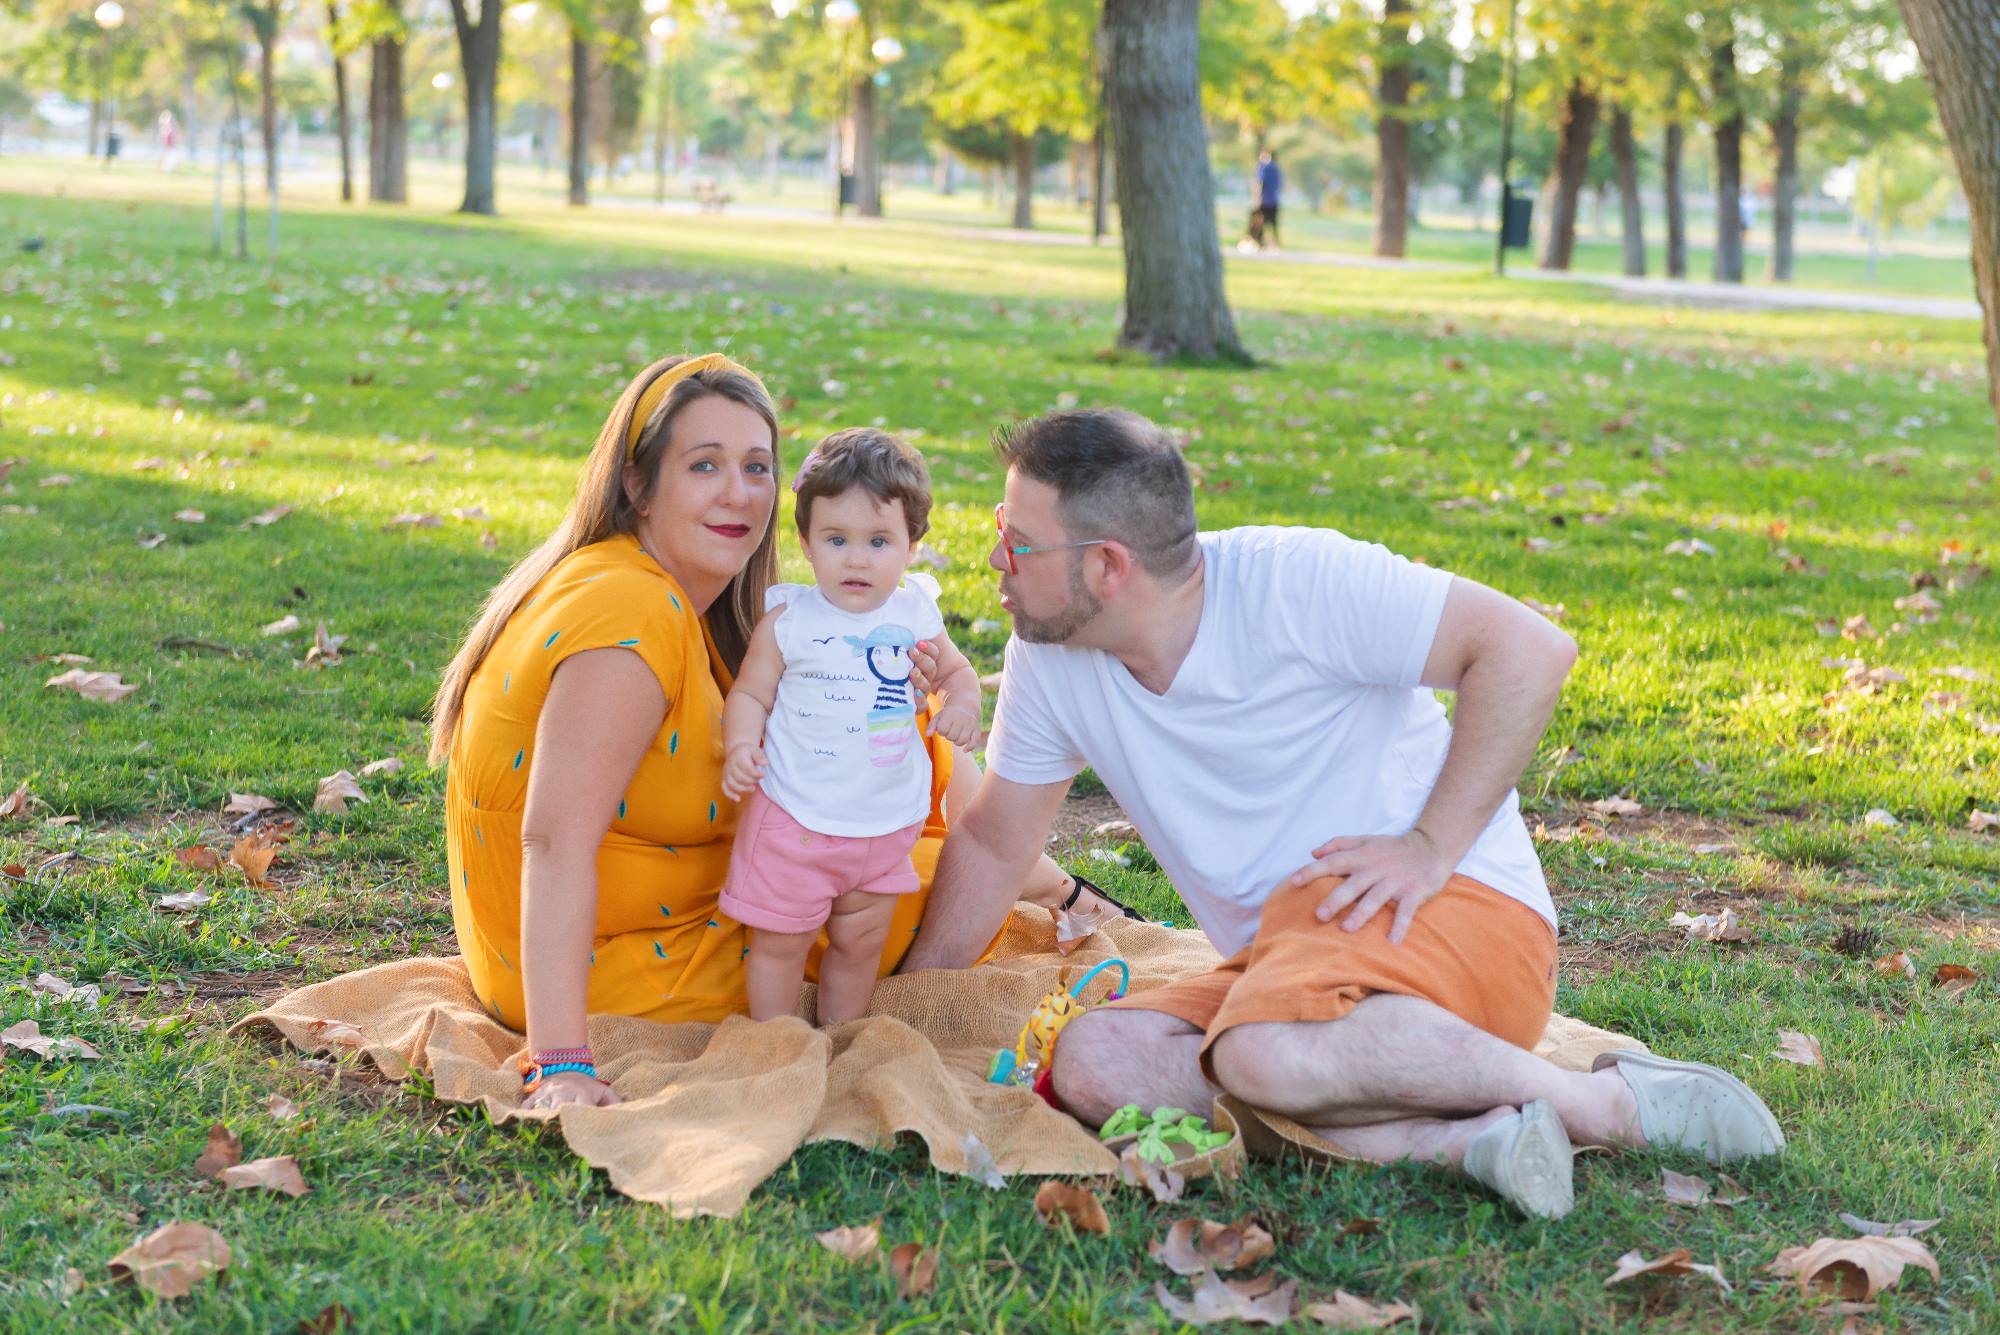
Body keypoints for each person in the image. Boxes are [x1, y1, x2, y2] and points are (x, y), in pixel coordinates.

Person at [903, 408, 1784, 1218]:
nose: (995, 565)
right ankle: (1464, 1139)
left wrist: (1431, 844)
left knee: (1255, 1056)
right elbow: (994, 836)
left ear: (1107, 565)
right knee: (1096, 1059)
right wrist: (903, 1001)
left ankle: (1608, 1103)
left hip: (1451, 917)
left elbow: (1528, 649)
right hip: (1285, 965)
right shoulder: (1053, 658)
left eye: (1016, 545)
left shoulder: (1298, 582)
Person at [427, 354, 1095, 1111]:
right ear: (638, 484)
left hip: (614, 919)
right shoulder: (628, 617)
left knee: (914, 749)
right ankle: (1059, 890)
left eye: (756, 466)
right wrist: (560, 1060)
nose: (739, 493)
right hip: (605, 966)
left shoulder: (648, 588)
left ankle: (1063, 887)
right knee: (939, 876)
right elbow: (552, 840)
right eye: (704, 465)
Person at [719, 429, 984, 1024]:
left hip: (884, 826)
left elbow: (958, 674)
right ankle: (778, 1042)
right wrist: (740, 743)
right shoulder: (789, 620)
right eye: (836, 539)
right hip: (795, 818)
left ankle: (840, 1037)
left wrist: (962, 706)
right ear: (807, 543)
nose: (857, 559)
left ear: (912, 543)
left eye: (879, 541)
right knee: (780, 944)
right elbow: (751, 694)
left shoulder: (915, 612)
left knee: (859, 944)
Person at [1255, 150, 1282, 251]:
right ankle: (1275, 243)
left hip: (1265, 200)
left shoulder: (1264, 168)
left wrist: (1257, 198)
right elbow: (1280, 184)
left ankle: (1261, 243)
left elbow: (1261, 183)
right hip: (1274, 200)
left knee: (1261, 222)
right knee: (1273, 223)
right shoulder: (1276, 168)